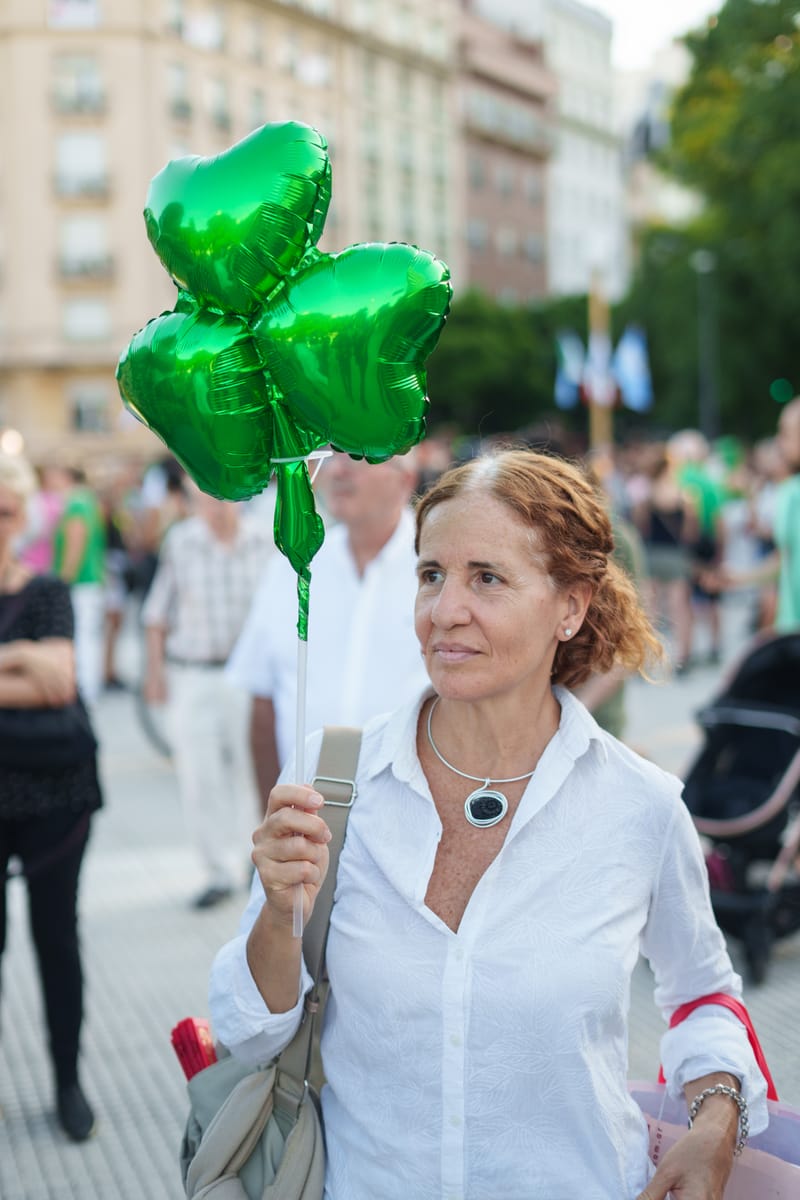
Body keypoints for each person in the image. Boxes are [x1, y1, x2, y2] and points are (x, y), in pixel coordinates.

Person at [209, 448, 768, 1200]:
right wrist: (279, 916)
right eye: (431, 574)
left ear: (570, 607)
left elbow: (703, 993)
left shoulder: (640, 805)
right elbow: (250, 1032)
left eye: (488, 578)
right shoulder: (334, 779)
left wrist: (714, 1126)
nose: (445, 610)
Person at [226, 451, 430, 813]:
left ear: (406, 480)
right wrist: (271, 817)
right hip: (309, 817)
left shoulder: (436, 566)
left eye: (357, 456)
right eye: (330, 457)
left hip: (416, 812)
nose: (339, 469)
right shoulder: (293, 566)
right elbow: (263, 702)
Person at [0, 452, 102, 1142]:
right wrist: (20, 663)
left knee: (56, 941)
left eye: (5, 510)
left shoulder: (47, 591)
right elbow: (40, 674)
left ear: (23, 516)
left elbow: (61, 681)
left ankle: (67, 1081)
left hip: (54, 802)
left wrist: (41, 666)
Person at [142, 485, 273, 909]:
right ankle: (217, 870)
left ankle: (255, 860)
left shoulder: (263, 540)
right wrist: (155, 673)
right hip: (195, 674)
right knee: (200, 776)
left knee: (252, 772)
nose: (217, 504)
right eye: (207, 495)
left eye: (223, 494)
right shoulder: (182, 542)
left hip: (247, 677)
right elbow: (156, 614)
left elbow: (278, 611)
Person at [52, 467, 106, 704]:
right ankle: (89, 687)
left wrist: (63, 580)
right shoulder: (88, 500)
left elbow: (75, 544)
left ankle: (85, 689)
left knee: (81, 637)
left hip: (79, 583)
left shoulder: (76, 503)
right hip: (89, 581)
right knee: (88, 636)